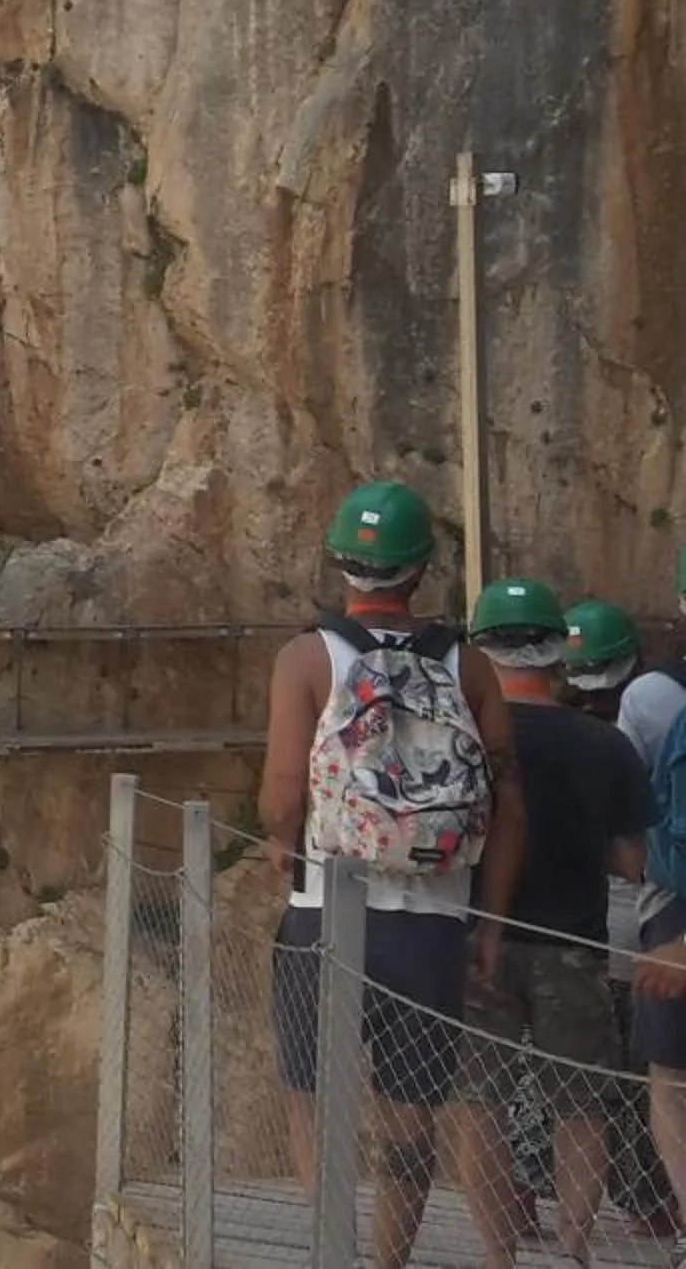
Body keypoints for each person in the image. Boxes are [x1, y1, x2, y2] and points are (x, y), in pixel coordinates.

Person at [260, 481, 525, 1269]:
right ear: (421, 571)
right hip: (432, 921)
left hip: (327, 907)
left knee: (311, 1088)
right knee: (411, 1111)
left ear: (341, 561)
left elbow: (282, 790)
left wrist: (282, 841)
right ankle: (386, 1262)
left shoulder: (308, 656)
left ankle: (324, 1235)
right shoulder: (467, 665)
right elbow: (509, 797)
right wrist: (492, 922)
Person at [448, 579, 650, 1266]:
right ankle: (573, 1247)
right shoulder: (603, 744)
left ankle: (498, 1253)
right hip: (574, 944)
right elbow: (630, 861)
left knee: (479, 1099)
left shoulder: (470, 734)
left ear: (483, 650)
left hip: (479, 938)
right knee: (581, 1102)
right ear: (554, 654)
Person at [562, 598, 686, 1239]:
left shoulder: (643, 705)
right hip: (637, 920)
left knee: (648, 1076)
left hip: (630, 922)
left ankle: (628, 1209)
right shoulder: (656, 701)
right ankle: (647, 1203)